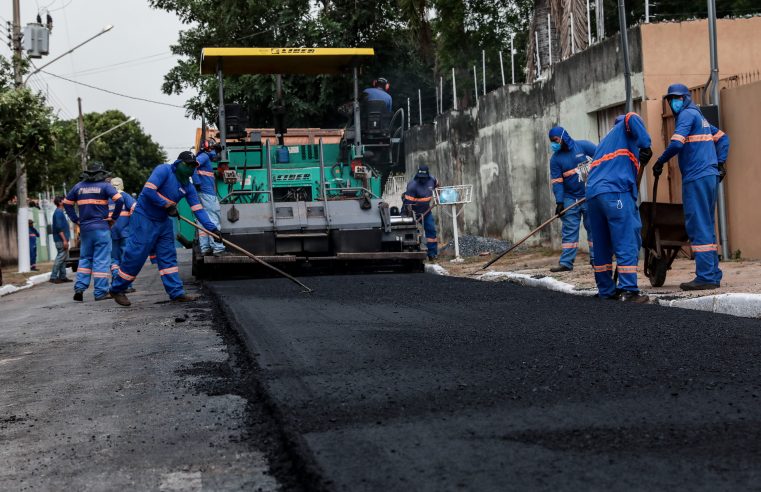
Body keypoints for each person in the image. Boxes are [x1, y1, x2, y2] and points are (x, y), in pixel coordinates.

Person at [109, 151, 222, 307]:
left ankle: (176, 293)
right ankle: (117, 289)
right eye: (188, 165)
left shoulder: (188, 187)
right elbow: (148, 191)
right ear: (178, 164)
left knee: (168, 255)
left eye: (193, 166)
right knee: (137, 254)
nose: (190, 169)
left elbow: (198, 210)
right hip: (144, 218)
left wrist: (213, 230)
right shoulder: (164, 170)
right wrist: (166, 205)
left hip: (163, 221)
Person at [653, 83, 730, 291]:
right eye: (671, 99)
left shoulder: (687, 115)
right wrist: (719, 163)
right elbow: (723, 138)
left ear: (685, 98)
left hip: (696, 177)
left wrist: (660, 161)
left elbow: (677, 143)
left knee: (698, 225)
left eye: (677, 98)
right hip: (709, 176)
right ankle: (713, 274)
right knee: (707, 224)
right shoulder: (701, 117)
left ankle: (705, 276)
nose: (673, 102)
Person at [585, 112, 653, 303]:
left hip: (593, 195)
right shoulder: (626, 124)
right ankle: (629, 290)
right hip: (615, 192)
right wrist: (646, 145)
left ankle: (606, 290)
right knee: (626, 239)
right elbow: (631, 116)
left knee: (602, 244)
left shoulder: (607, 140)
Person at [63, 161, 124, 301]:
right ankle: (100, 292)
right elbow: (119, 200)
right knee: (101, 260)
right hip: (101, 228)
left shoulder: (78, 187)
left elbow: (66, 203)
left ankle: (79, 288)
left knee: (85, 259)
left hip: (85, 229)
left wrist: (76, 219)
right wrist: (113, 218)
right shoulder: (105, 186)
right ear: (101, 173)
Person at [548, 126, 597, 272]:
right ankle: (566, 263)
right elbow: (557, 182)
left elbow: (602, 157)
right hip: (570, 198)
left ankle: (597, 260)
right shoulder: (555, 160)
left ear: (563, 137)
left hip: (588, 196)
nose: (553, 144)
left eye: (555, 140)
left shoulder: (583, 146)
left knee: (594, 228)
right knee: (569, 230)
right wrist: (560, 202)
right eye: (551, 141)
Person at [194, 140, 226, 256]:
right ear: (208, 148)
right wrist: (197, 182)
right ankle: (218, 248)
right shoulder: (204, 157)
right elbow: (193, 166)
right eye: (215, 150)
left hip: (202, 193)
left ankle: (205, 248)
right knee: (214, 217)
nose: (216, 154)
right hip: (207, 193)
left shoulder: (202, 157)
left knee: (203, 221)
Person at [402, 164, 438, 260]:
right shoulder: (412, 185)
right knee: (413, 233)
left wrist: (438, 196)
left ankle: (432, 254)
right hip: (412, 213)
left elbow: (438, 187)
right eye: (420, 177)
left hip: (426, 211)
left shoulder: (432, 179)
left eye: (424, 177)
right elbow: (407, 204)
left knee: (431, 231)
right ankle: (416, 254)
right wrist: (410, 217)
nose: (422, 179)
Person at [108, 177, 136, 292]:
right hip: (125, 232)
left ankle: (116, 281)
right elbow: (135, 208)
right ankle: (126, 285)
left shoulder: (107, 197)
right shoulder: (125, 196)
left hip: (111, 232)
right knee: (126, 258)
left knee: (114, 259)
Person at [50, 197, 72, 283]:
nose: (65, 201)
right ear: (60, 202)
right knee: (60, 258)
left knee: (63, 259)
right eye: (64, 200)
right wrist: (64, 240)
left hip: (62, 239)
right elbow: (59, 228)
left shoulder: (60, 212)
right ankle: (53, 277)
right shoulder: (58, 212)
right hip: (61, 240)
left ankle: (62, 276)